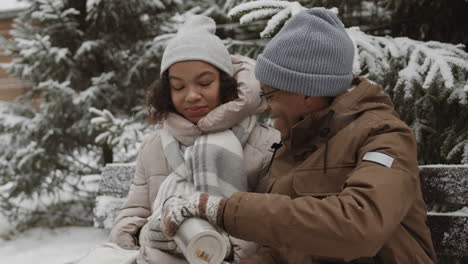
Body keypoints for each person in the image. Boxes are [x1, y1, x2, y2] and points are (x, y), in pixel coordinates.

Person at [160, 8, 437, 263]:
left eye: (270, 93)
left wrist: (224, 210)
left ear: (308, 92)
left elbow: (360, 226)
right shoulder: (292, 144)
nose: (266, 107)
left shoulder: (385, 136)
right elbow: (281, 249)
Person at [107, 15, 280, 264]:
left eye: (205, 83)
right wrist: (143, 233)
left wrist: (220, 246)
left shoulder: (266, 144)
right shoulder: (154, 146)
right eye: (178, 87)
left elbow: (274, 227)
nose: (191, 96)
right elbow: (133, 213)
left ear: (226, 83)